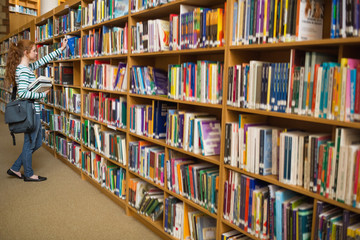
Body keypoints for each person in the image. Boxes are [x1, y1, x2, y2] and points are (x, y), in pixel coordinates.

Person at [5, 38, 67, 182]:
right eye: (34, 51)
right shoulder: (23, 71)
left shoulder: (27, 67)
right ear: (26, 53)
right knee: (31, 142)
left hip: (33, 111)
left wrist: (61, 49)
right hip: (30, 112)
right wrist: (41, 95)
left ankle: (15, 168)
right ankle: (28, 174)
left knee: (36, 142)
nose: (37, 53)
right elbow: (23, 93)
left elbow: (44, 60)